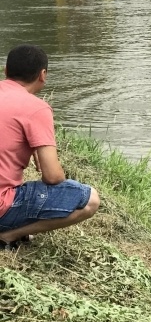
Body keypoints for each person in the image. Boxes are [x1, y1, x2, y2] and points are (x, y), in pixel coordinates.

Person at [0, 45, 100, 249]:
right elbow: (53, 177)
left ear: (6, 71)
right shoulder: (36, 108)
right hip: (2, 207)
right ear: (43, 74)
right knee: (91, 199)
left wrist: (31, 146)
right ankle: (8, 235)